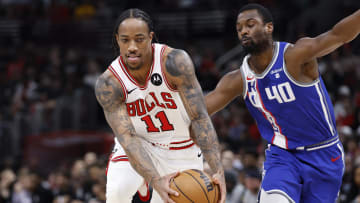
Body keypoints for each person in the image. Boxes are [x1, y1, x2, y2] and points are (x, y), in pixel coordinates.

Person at [205, 3, 360, 203]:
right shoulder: (238, 79)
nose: (244, 30)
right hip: (283, 156)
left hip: (324, 152)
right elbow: (198, 111)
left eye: (250, 24)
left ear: (269, 27)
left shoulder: (295, 55)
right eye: (239, 28)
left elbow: (338, 35)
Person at [94, 8, 226, 203]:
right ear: (117, 40)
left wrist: (217, 170)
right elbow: (127, 137)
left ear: (150, 37)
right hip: (138, 142)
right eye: (125, 40)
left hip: (179, 145)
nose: (132, 47)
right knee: (118, 192)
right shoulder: (109, 83)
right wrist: (154, 179)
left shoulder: (174, 62)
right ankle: (143, 184)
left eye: (139, 39)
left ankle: (147, 189)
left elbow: (199, 117)